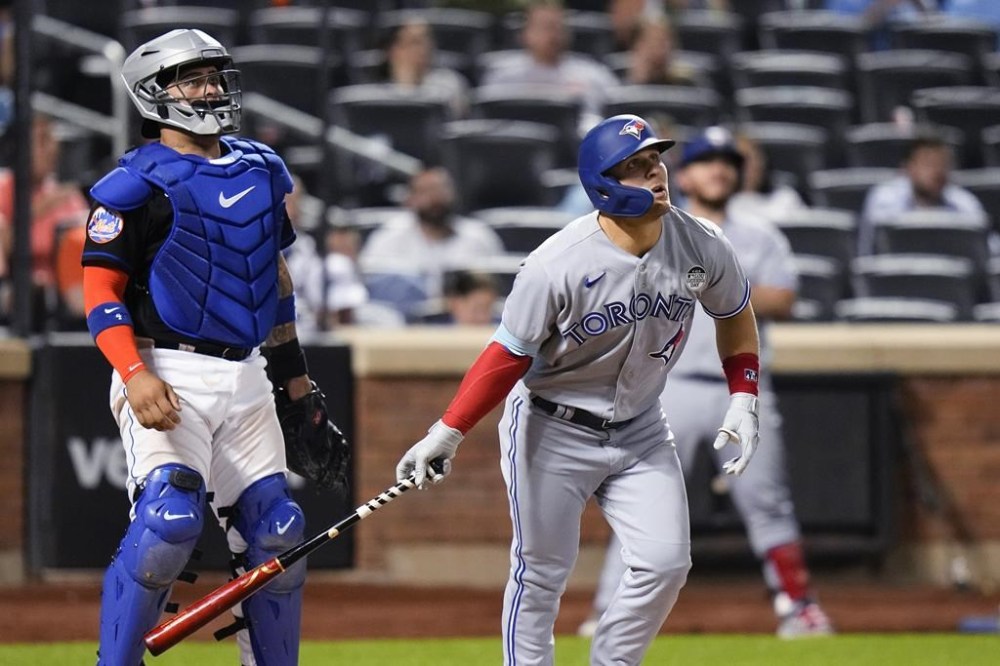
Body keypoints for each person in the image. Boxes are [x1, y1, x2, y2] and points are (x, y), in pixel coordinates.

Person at [394, 114, 762, 665]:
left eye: (656, 161)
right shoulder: (555, 264)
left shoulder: (702, 242)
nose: (655, 173)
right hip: (551, 424)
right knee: (540, 572)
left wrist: (744, 394)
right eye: (635, 167)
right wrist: (448, 431)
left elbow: (734, 314)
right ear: (604, 183)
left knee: (666, 563)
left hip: (640, 426)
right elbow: (507, 354)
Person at [82, 29, 347, 666]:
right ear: (155, 94)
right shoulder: (133, 183)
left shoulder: (261, 168)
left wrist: (296, 383)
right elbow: (99, 288)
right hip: (164, 365)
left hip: (247, 372)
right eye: (193, 79)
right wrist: (133, 373)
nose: (210, 90)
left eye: (214, 77)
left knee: (278, 531)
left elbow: (274, 278)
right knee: (167, 523)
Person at [579, 126, 834, 641]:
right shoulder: (649, 226)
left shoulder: (760, 234)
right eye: (706, 160)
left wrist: (709, 285)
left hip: (738, 388)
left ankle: (798, 606)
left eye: (726, 161)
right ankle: (609, 609)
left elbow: (783, 298)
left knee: (767, 501)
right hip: (666, 388)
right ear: (685, 173)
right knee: (639, 500)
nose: (718, 169)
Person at [358, 166, 503, 308]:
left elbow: (499, 292)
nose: (435, 198)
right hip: (406, 326)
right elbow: (371, 292)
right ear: (410, 199)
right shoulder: (388, 238)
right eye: (425, 192)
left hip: (467, 326)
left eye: (441, 189)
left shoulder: (479, 237)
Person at [0, 113, 90, 322]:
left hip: (64, 294)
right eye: (42, 141)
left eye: (52, 139)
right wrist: (38, 210)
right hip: (17, 294)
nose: (52, 148)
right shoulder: (4, 188)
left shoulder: (66, 196)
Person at [480, 0, 620, 120]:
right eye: (545, 28)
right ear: (525, 33)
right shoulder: (503, 75)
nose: (553, 35)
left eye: (558, 28)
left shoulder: (593, 74)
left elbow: (618, 114)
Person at [859, 131, 985, 255]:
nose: (937, 172)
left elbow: (988, 253)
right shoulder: (884, 200)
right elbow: (868, 255)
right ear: (909, 168)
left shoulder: (966, 204)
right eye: (929, 164)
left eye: (943, 164)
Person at [377, 17, 470, 117]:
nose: (424, 48)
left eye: (427, 40)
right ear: (393, 50)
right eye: (415, 42)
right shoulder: (376, 93)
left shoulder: (449, 83)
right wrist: (404, 82)